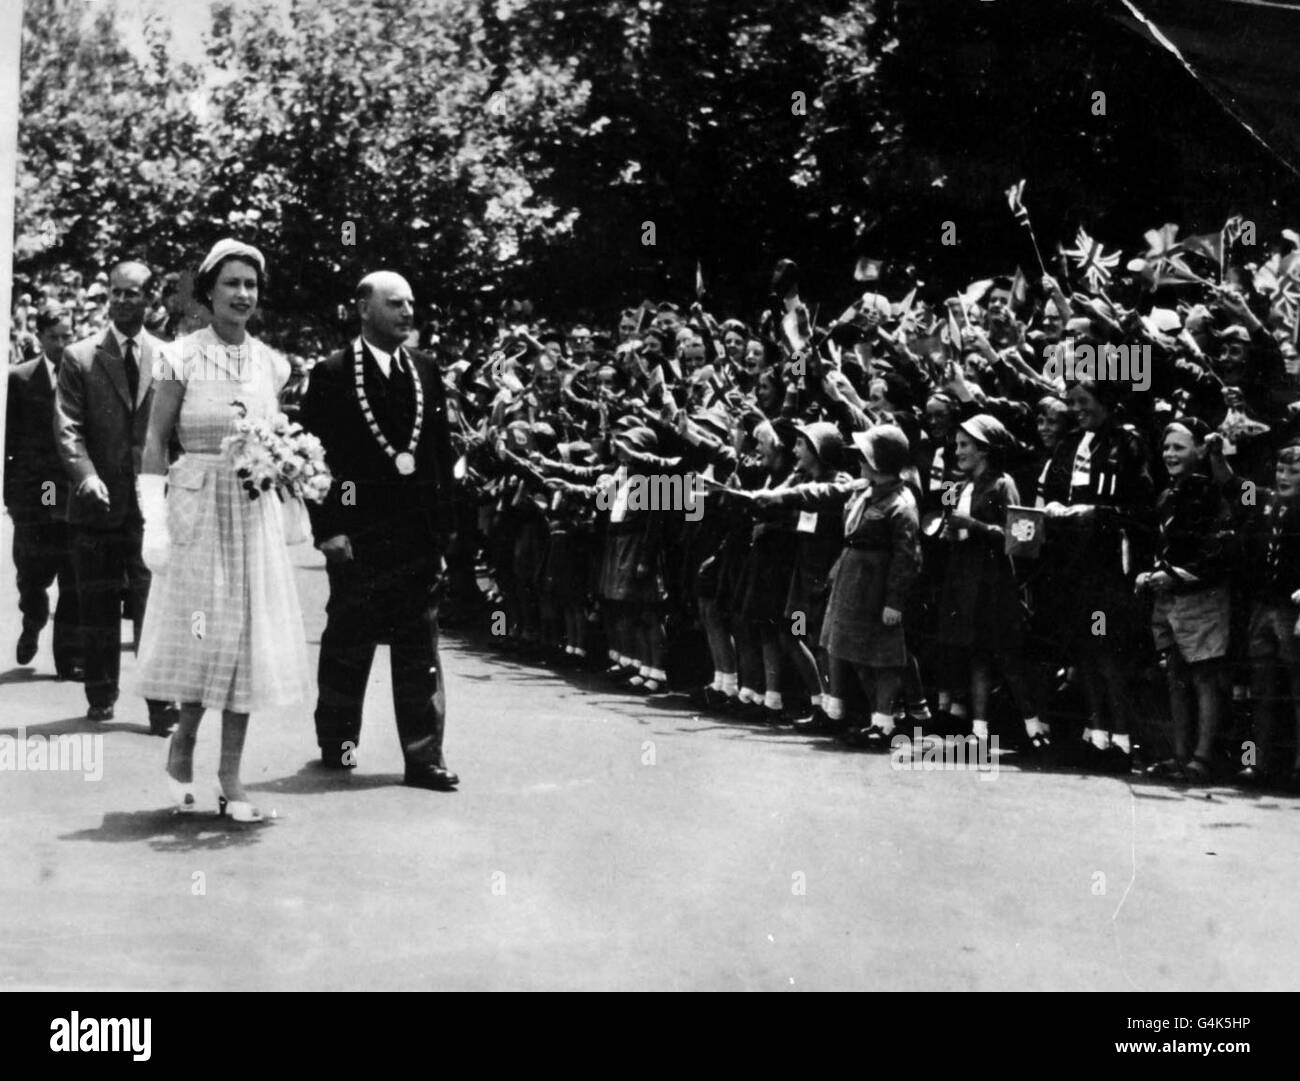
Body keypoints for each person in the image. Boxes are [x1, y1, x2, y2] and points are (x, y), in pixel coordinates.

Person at [135, 239, 311, 820]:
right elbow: (157, 441)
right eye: (231, 283)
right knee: (203, 634)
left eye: (251, 285)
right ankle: (182, 743)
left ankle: (231, 779)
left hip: (250, 510)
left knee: (246, 641)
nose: (242, 295)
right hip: (197, 506)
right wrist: (153, 520)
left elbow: (271, 438)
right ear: (208, 292)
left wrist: (288, 467)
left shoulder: (271, 363)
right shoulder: (180, 356)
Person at [298, 270, 460, 791]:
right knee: (349, 642)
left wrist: (445, 529)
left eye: (412, 302)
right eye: (395, 303)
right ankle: (339, 740)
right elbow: (314, 458)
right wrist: (329, 529)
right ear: (364, 308)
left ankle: (424, 756)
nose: (408, 312)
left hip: (415, 536)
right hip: (359, 535)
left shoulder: (427, 370)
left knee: (420, 650)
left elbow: (439, 452)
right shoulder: (332, 372)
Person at [54, 261, 178, 733]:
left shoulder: (168, 357)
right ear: (108, 297)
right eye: (117, 293)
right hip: (95, 504)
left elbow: (176, 430)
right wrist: (84, 475)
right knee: (98, 605)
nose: (124, 301)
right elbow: (68, 427)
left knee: (154, 606)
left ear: (150, 299)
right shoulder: (79, 357)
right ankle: (101, 693)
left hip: (151, 504)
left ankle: (160, 703)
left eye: (134, 293)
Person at [4, 307, 82, 678]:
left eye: (69, 336)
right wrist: (10, 492)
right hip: (38, 491)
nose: (64, 344)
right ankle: (33, 617)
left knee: (71, 574)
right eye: (56, 337)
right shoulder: (20, 379)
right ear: (40, 338)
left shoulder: (82, 375)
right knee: (31, 571)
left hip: (68, 489)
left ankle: (68, 659)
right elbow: (9, 440)